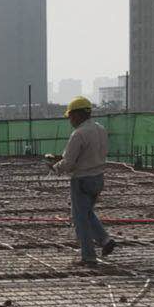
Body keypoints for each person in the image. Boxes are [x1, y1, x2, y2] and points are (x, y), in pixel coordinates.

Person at [48, 96, 115, 267]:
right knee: (87, 213)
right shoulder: (100, 129)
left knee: (80, 219)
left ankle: (88, 256)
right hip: (98, 178)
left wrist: (55, 167)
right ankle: (105, 240)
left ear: (77, 115)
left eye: (70, 116)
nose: (70, 120)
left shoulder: (78, 134)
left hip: (82, 180)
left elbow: (69, 162)